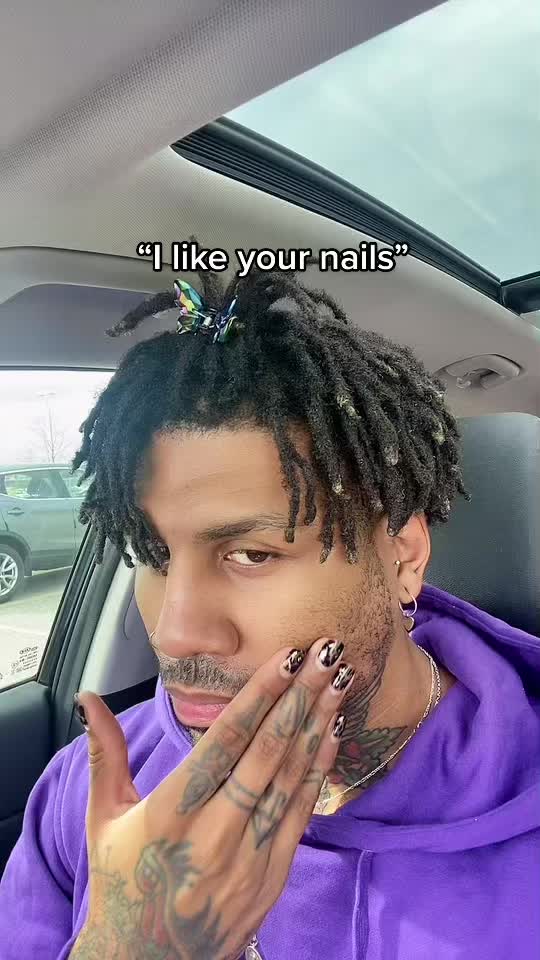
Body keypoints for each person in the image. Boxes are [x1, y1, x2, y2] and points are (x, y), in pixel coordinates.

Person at [0, 260, 539, 960]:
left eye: (252, 554)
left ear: (403, 557)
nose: (175, 634)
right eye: (153, 554)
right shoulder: (91, 791)